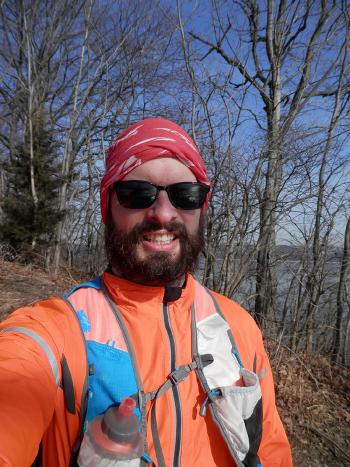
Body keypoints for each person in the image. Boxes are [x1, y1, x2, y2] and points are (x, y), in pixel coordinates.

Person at [0, 118, 293, 467]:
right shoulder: (58, 332)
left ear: (202, 207)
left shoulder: (237, 327)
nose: (163, 213)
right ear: (107, 207)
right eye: (137, 193)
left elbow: (271, 451)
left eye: (186, 195)